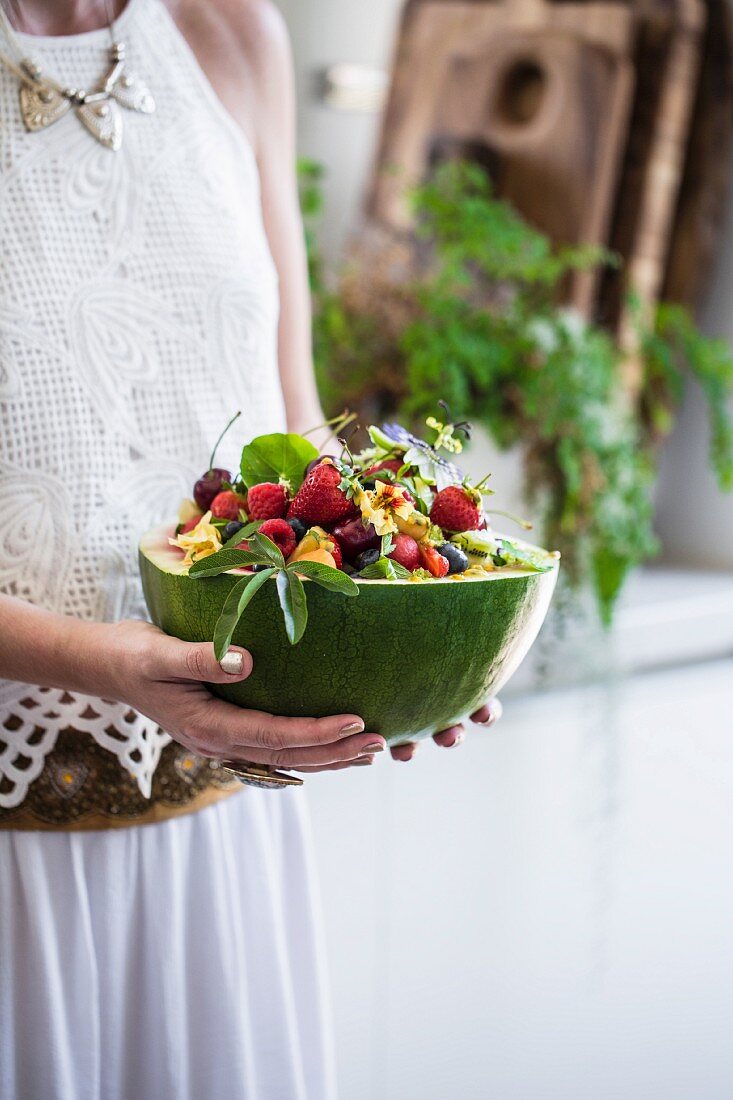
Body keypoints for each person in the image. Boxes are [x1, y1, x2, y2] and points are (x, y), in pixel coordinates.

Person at [0, 1, 501, 1096]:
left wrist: (418, 620)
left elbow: (294, 423)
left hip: (223, 833)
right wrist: (102, 660)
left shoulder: (232, 36)